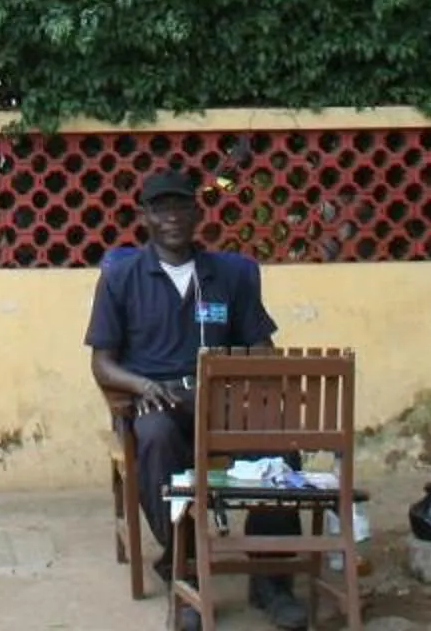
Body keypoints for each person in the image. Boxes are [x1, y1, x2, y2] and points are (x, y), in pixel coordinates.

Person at [86, 167, 309, 631]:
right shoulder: (122, 276)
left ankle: (271, 579)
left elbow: (261, 349)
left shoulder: (230, 275)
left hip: (220, 401)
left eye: (181, 205)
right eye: (161, 208)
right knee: (156, 438)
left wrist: (242, 383)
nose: (172, 217)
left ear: (197, 211)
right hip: (157, 402)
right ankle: (184, 571)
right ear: (145, 216)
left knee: (283, 450)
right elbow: (103, 363)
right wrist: (143, 387)